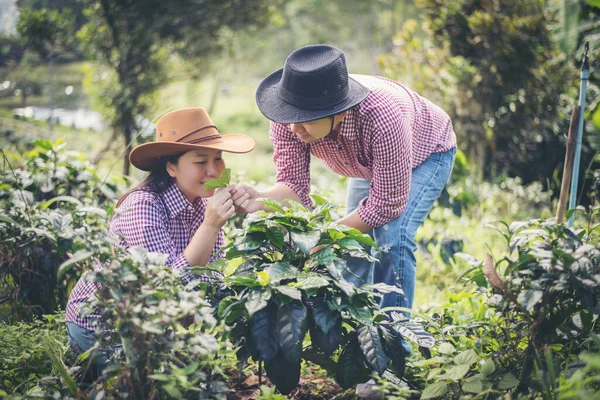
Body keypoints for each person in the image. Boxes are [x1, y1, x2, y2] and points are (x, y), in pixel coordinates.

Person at [233, 44, 456, 342]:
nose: (295, 127)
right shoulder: (289, 120)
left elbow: (387, 204)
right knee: (357, 245)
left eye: (306, 117)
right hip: (368, 163)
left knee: (392, 238)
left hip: (427, 151)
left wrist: (326, 237)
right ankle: (362, 335)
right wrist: (258, 198)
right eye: (291, 116)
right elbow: (294, 188)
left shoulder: (383, 117)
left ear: (338, 112)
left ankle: (393, 347)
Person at [65, 107, 255, 377]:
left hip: (149, 326)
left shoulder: (203, 204)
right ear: (171, 167)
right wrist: (210, 225)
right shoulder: (143, 205)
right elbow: (164, 289)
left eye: (219, 158)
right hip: (100, 328)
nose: (214, 170)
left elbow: (209, 280)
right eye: (201, 161)